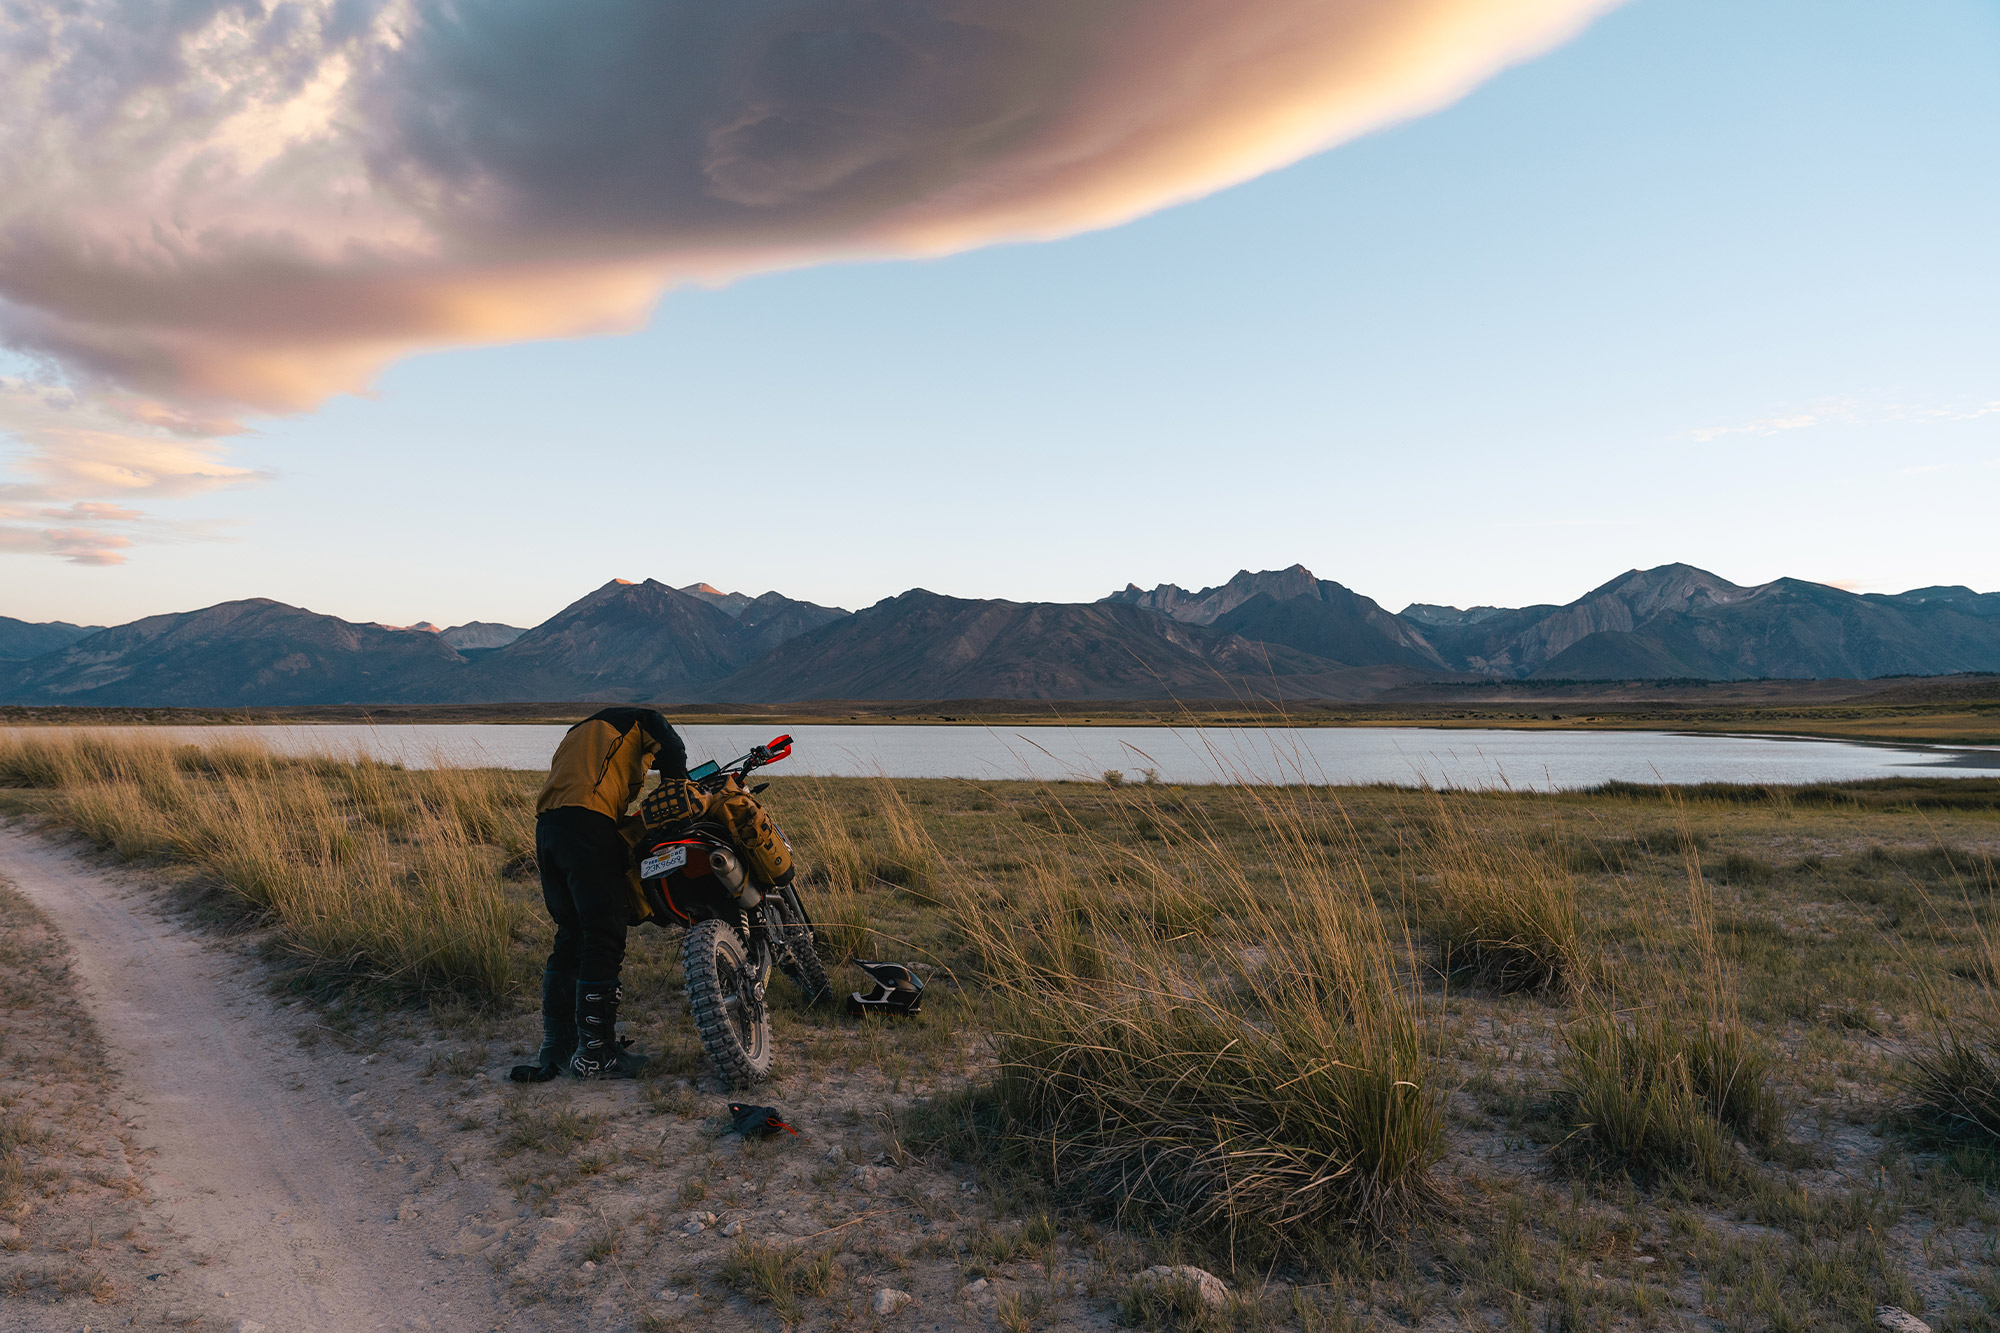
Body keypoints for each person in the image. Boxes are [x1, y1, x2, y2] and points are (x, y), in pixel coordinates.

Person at [511, 706, 687, 1083]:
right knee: (604, 932)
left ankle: (558, 1045)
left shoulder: (582, 731)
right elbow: (673, 749)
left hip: (548, 829)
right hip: (587, 823)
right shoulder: (643, 720)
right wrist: (678, 792)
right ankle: (596, 1055)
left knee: (571, 933)